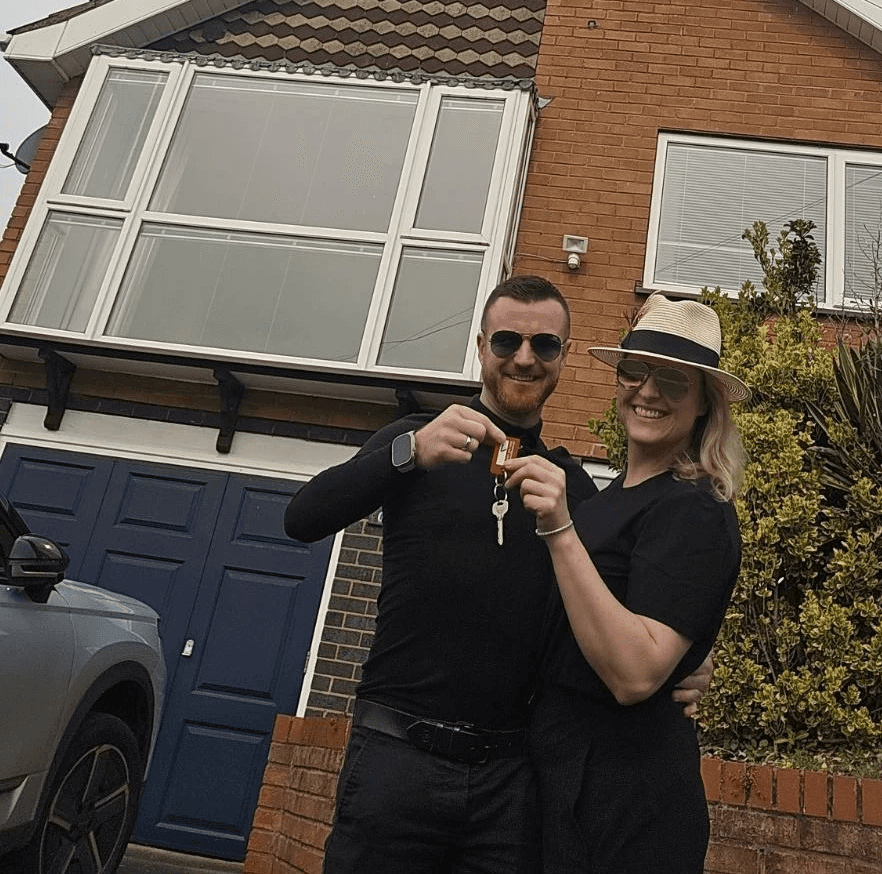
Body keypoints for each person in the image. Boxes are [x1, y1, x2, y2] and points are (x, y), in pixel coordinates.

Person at [283, 276, 709, 874]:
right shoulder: (415, 444)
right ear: (481, 345)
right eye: (508, 340)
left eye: (546, 345)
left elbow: (620, 620)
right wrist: (407, 454)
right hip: (395, 759)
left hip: (510, 783)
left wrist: (688, 664)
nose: (525, 358)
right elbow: (302, 518)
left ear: (563, 359)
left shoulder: (571, 489)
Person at [503, 293, 747, 874]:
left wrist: (559, 529)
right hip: (561, 780)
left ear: (704, 405)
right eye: (635, 371)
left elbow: (637, 674)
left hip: (627, 799)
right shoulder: (608, 499)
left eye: (673, 381)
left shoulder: (695, 509)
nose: (648, 391)